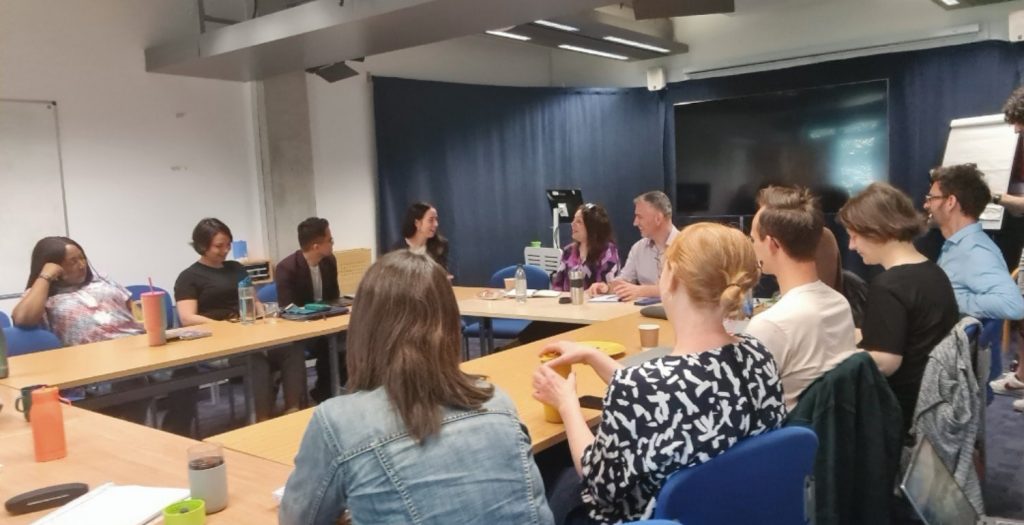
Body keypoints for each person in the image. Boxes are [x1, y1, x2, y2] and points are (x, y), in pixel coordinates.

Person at [533, 222, 786, 524]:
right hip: (738, 512)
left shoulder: (642, 386)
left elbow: (599, 485)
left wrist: (567, 405)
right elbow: (668, 397)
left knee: (548, 474)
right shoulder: (758, 355)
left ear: (674, 280)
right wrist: (593, 356)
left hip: (650, 517)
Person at [279, 251, 553, 525]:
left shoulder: (339, 423)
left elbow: (295, 519)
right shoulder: (498, 402)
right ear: (449, 323)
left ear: (364, 327)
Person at [839, 182, 960, 436]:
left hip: (901, 409)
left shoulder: (888, 286)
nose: (851, 246)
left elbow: (885, 362)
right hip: (935, 398)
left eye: (854, 236)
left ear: (877, 230)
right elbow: (908, 335)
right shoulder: (933, 272)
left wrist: (834, 357)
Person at [175, 218, 306, 420]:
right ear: (202, 245)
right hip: (217, 342)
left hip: (249, 333)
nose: (225, 250)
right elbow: (187, 318)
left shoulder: (236, 268)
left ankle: (293, 411)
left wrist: (262, 312)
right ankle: (262, 419)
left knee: (292, 350)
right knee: (257, 364)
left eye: (228, 245)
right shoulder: (188, 277)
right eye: (219, 246)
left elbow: (254, 301)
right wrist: (224, 327)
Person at [11, 236, 150, 423]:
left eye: (82, 258)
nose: (82, 265)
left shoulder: (102, 281)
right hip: (92, 368)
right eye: (72, 261)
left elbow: (138, 314)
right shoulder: (44, 295)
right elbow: (22, 319)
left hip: (137, 355)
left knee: (184, 375)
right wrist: (45, 277)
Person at [745, 186, 858, 409]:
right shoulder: (840, 304)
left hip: (781, 437)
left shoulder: (769, 325)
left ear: (772, 244)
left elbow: (745, 405)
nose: (752, 247)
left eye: (753, 239)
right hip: (826, 434)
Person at [923, 164, 1024, 321]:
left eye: (931, 198)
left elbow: (1012, 305)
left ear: (950, 202)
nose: (926, 205)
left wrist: (949, 300)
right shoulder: (959, 245)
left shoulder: (974, 251)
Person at [275, 217, 342, 403]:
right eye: (330, 240)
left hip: (327, 323)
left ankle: (338, 392)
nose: (333, 244)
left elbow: (334, 298)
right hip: (301, 331)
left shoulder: (329, 262)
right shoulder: (286, 268)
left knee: (351, 341)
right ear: (316, 246)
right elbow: (288, 309)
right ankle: (325, 394)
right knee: (328, 347)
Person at [590, 191, 677, 301]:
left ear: (658, 219)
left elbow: (680, 289)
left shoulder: (687, 246)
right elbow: (625, 280)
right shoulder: (638, 248)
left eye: (639, 217)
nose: (635, 223)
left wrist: (639, 291)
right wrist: (607, 288)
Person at [550, 203, 619, 291]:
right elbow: (557, 285)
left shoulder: (607, 251)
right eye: (573, 220)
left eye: (579, 222)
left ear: (592, 227)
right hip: (569, 303)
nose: (572, 224)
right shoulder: (568, 251)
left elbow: (606, 286)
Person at [391, 202, 450, 273]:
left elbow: (442, 273)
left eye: (436, 219)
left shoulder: (440, 245)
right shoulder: (397, 249)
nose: (436, 224)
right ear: (417, 223)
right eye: (431, 220)